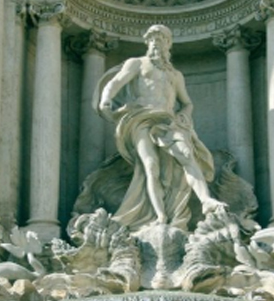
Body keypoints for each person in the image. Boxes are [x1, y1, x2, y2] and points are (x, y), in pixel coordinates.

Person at [97, 24, 226, 232]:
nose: (156, 43)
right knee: (150, 165)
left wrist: (184, 116)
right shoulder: (137, 64)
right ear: (147, 43)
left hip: (168, 121)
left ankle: (206, 200)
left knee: (187, 155)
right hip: (140, 119)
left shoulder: (175, 75)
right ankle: (160, 216)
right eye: (152, 39)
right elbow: (116, 82)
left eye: (161, 39)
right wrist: (106, 99)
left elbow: (187, 103)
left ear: (168, 44)